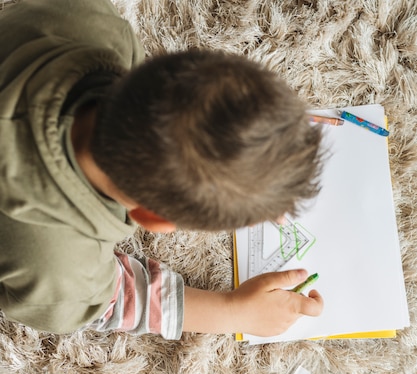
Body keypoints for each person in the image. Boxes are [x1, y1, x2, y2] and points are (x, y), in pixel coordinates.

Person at [0, 0, 324, 339]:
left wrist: (255, 178)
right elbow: (105, 302)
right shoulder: (59, 270)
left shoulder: (90, 21)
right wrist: (232, 313)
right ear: (150, 219)